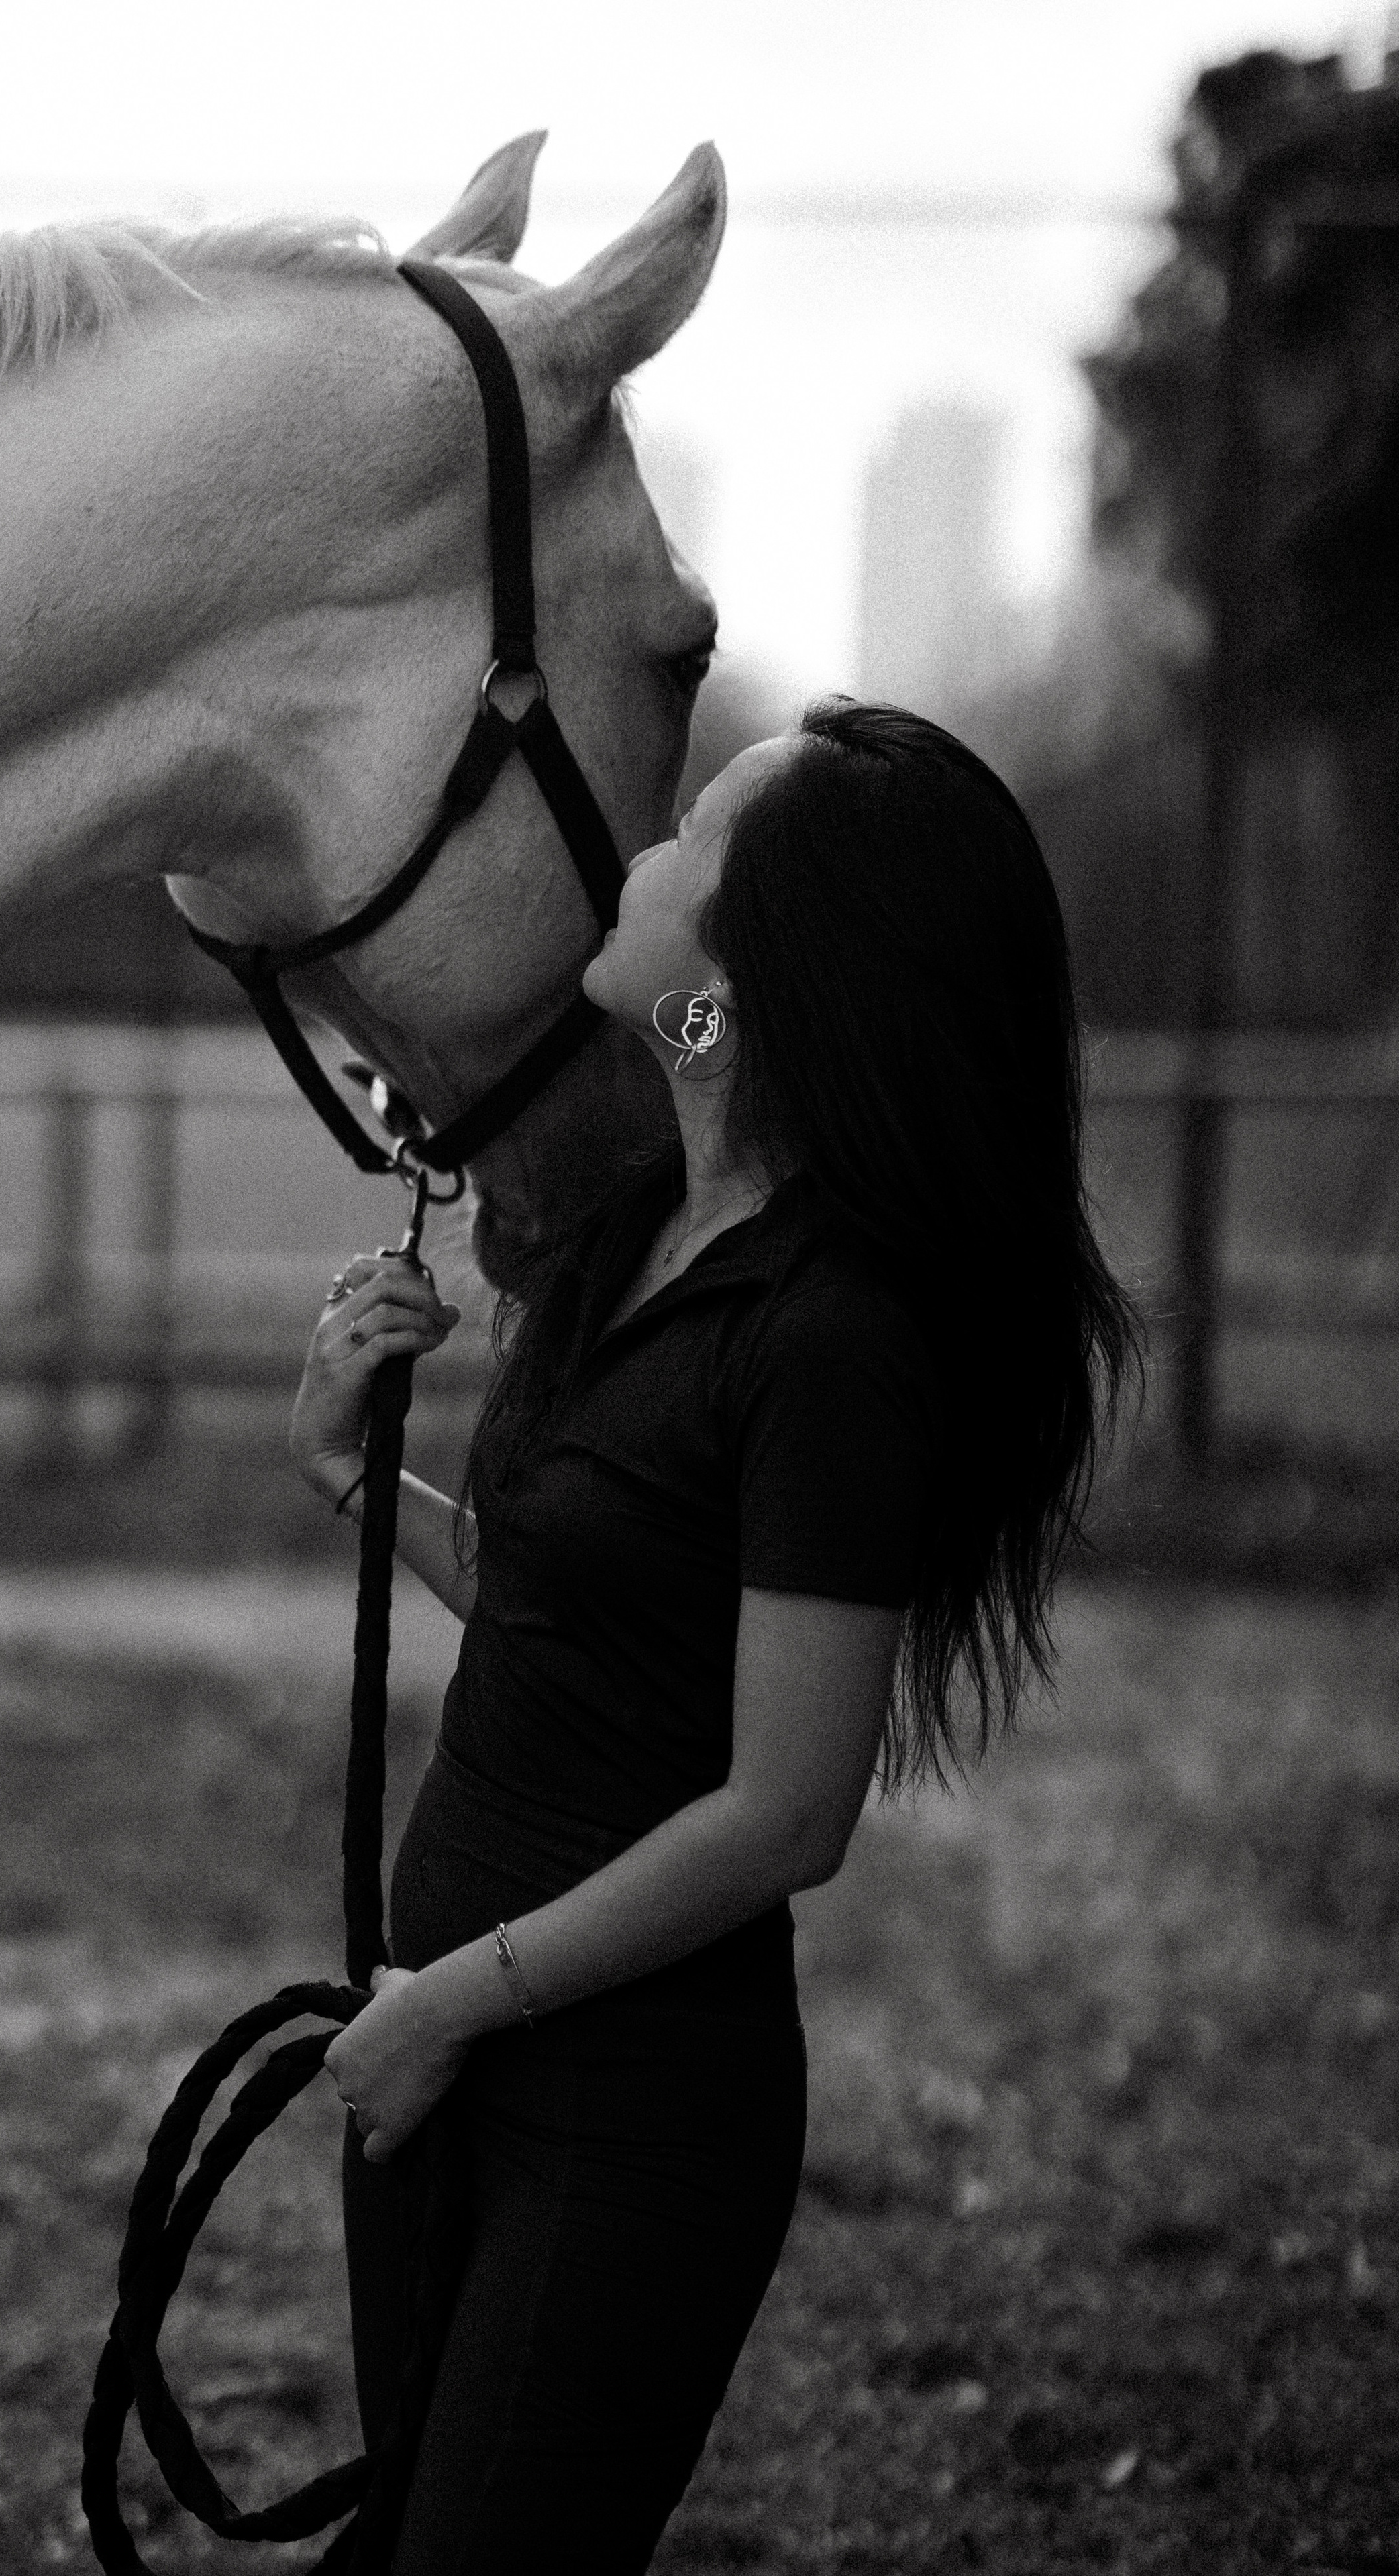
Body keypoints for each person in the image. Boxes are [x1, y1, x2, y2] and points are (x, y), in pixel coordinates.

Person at [287, 698, 1140, 2574]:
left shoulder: (831, 1340)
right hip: (451, 2067)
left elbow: (786, 1810)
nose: (637, 847)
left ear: (749, 969)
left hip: (619, 2117)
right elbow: (558, 1611)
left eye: (688, 834)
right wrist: (359, 1479)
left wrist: (453, 2001)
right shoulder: (641, 1233)